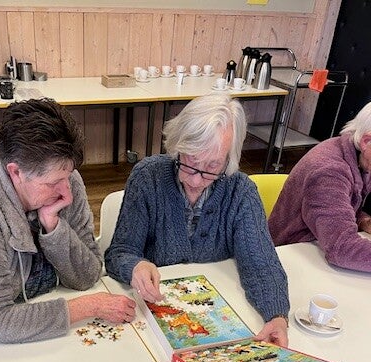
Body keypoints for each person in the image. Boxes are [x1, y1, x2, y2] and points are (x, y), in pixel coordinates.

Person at [0, 98, 135, 343]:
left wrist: (54, 228)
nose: (66, 192)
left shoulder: (68, 179)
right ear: (16, 172)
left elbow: (88, 276)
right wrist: (88, 307)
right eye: (53, 183)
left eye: (68, 175)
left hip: (34, 317)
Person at [105, 94, 290, 347]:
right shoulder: (147, 177)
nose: (194, 180)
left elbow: (261, 264)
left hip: (214, 316)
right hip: (152, 317)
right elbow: (119, 253)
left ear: (228, 161)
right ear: (178, 146)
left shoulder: (241, 192)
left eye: (212, 167)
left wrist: (277, 316)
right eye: (190, 162)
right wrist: (135, 266)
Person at [268, 101, 371, 272]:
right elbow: (342, 248)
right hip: (289, 257)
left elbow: (342, 206)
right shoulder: (329, 171)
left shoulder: (360, 157)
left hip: (318, 248)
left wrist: (363, 220)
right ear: (366, 141)